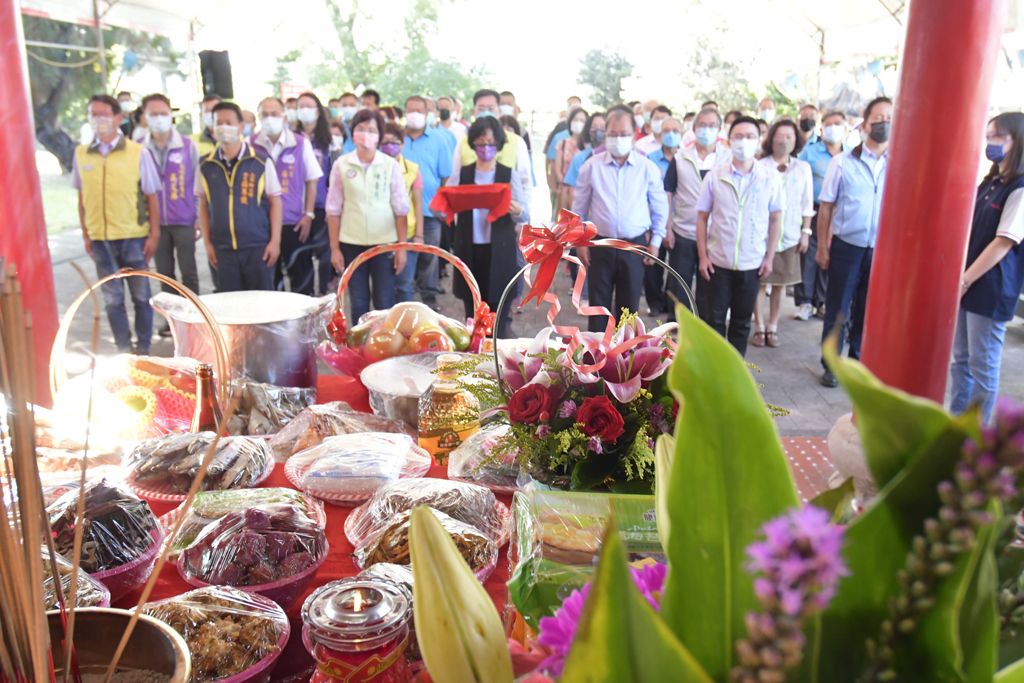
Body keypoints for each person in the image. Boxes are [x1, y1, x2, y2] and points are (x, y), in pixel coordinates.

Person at [73, 94, 161, 354]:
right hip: (100, 240)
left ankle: (144, 349)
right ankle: (124, 350)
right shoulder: (81, 154)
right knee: (112, 299)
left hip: (134, 237)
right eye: (93, 115)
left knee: (141, 296)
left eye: (104, 114)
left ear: (118, 119)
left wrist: (154, 234)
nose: (98, 120)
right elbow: (82, 198)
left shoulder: (137, 152)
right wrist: (87, 234)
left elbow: (151, 196)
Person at [951, 112, 1024, 422]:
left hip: (990, 287)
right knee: (960, 360)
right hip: (970, 281)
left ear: (1016, 141)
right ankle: (955, 422)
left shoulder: (1019, 188)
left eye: (998, 137)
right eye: (989, 135)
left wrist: (964, 281)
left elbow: (1003, 243)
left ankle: (976, 433)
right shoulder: (992, 181)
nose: (990, 142)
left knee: (982, 365)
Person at [816, 97, 893, 387]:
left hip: (881, 249)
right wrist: (823, 247)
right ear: (866, 122)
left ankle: (858, 361)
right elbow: (826, 208)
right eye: (879, 117)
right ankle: (831, 364)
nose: (884, 123)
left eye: (889, 117)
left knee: (869, 308)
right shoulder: (843, 162)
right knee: (838, 307)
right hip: (847, 246)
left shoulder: (898, 163)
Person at [572, 108, 668, 332]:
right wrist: (579, 242)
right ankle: (595, 358)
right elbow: (579, 208)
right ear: (605, 136)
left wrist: (656, 241)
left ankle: (626, 359)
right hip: (600, 243)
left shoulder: (647, 168)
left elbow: (661, 207)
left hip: (634, 245)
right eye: (613, 134)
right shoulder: (591, 166)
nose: (618, 139)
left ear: (634, 137)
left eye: (623, 133)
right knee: (598, 305)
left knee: (629, 307)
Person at [695, 115, 783, 356]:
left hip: (751, 263)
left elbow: (776, 219)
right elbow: (702, 218)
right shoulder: (715, 175)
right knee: (714, 321)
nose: (744, 141)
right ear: (729, 140)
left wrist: (769, 257)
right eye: (738, 136)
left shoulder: (770, 177)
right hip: (718, 264)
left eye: (750, 136)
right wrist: (703, 256)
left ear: (758, 140)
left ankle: (735, 374)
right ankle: (713, 372)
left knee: (742, 323)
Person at [443, 115, 530, 337]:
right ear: (473, 144)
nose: (485, 148)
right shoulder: (463, 173)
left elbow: (524, 214)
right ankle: (474, 362)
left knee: (497, 313)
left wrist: (518, 210)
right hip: (469, 250)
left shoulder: (507, 173)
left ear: (499, 144)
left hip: (499, 252)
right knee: (473, 313)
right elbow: (442, 205)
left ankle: (496, 363)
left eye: (490, 143)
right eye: (481, 143)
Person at [326, 108, 410, 320]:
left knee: (384, 301)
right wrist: (335, 248)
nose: (366, 134)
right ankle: (360, 349)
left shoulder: (390, 165)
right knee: (358, 301)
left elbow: (401, 210)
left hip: (385, 243)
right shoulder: (342, 165)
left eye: (371, 130)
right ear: (352, 133)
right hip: (351, 243)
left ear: (379, 135)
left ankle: (386, 349)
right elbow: (333, 209)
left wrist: (402, 248)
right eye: (361, 129)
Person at [196, 102, 283, 292]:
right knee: (231, 305)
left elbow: (275, 203)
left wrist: (275, 242)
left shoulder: (260, 161)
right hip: (223, 249)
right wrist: (208, 244)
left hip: (257, 247)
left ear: (241, 127)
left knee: (262, 302)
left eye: (229, 122)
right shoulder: (205, 165)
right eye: (219, 122)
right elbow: (203, 206)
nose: (223, 127)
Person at [250, 97, 324, 295]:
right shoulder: (250, 145)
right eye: (264, 114)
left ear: (284, 117)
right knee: (269, 283)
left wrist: (308, 215)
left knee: (301, 279)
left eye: (274, 114)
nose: (269, 118)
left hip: (294, 223)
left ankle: (305, 325)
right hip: (261, 225)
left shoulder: (300, 143)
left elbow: (312, 180)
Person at [664, 107, 733, 319]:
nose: (706, 130)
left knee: (709, 287)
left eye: (711, 125)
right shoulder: (680, 157)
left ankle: (704, 329)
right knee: (680, 284)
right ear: (693, 129)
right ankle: (678, 329)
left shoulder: (729, 158)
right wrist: (667, 228)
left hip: (715, 235)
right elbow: (668, 192)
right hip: (684, 231)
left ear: (719, 129)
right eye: (702, 125)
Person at [751, 120, 814, 348]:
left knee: (781, 284)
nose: (784, 140)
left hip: (790, 234)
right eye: (780, 136)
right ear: (771, 138)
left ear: (796, 140)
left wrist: (806, 232)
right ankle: (758, 326)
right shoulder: (760, 165)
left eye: (789, 136)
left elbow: (807, 203)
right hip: (761, 235)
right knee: (760, 283)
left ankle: (772, 327)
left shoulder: (802, 168)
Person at [141, 93, 201, 311]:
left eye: (163, 113)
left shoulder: (187, 146)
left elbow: (197, 184)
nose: (159, 118)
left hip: (184, 220)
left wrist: (197, 218)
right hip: (155, 224)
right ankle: (173, 321)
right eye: (153, 114)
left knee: (189, 272)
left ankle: (196, 316)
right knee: (165, 274)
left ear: (171, 116)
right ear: (145, 117)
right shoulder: (139, 148)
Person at [796, 110, 849, 320]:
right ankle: (805, 301)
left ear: (845, 129)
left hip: (842, 213)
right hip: (815, 209)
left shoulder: (852, 154)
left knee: (832, 255)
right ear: (821, 128)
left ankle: (823, 300)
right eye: (829, 124)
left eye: (838, 123)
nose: (833, 127)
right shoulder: (810, 152)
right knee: (810, 254)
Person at [451, 90, 533, 222]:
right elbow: (455, 183)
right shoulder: (463, 143)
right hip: (469, 221)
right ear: (474, 112)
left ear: (499, 111)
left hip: (505, 221)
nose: (486, 112)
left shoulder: (516, 141)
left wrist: (521, 218)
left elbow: (525, 184)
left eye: (491, 108)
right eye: (481, 108)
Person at [402, 95, 453, 305]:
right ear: (404, 113)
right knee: (403, 258)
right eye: (410, 110)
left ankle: (428, 299)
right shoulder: (396, 139)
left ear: (427, 114)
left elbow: (445, 175)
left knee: (429, 257)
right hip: (401, 212)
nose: (414, 114)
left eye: (419, 111)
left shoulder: (439, 140)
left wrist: (441, 205)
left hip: (429, 210)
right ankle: (403, 300)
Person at [297, 92, 341, 295]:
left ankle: (323, 291)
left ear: (317, 111)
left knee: (324, 252)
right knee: (301, 252)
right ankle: (305, 293)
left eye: (309, 105)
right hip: (297, 206)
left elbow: (334, 174)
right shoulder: (292, 139)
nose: (305, 109)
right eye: (301, 105)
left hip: (323, 205)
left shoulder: (328, 141)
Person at [642, 116, 682, 316]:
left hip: (679, 220)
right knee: (653, 265)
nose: (671, 134)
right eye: (667, 130)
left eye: (675, 130)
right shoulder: (649, 159)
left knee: (676, 267)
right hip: (654, 219)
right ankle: (655, 302)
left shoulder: (685, 159)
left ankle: (671, 303)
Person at [381, 122, 424, 303]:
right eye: (386, 141)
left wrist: (419, 235)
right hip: (381, 234)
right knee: (383, 287)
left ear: (402, 144)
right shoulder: (375, 168)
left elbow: (418, 204)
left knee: (405, 285)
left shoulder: (412, 169)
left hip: (407, 234)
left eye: (395, 141)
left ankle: (405, 325)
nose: (390, 145)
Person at [560, 111, 607, 213]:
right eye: (594, 127)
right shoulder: (579, 158)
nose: (598, 131)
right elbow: (572, 191)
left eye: (602, 127)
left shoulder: (615, 158)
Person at [553, 107, 590, 213]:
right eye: (575, 119)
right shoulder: (562, 143)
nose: (578, 123)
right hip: (566, 190)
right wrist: (565, 185)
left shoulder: (588, 147)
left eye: (582, 120)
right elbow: (557, 168)